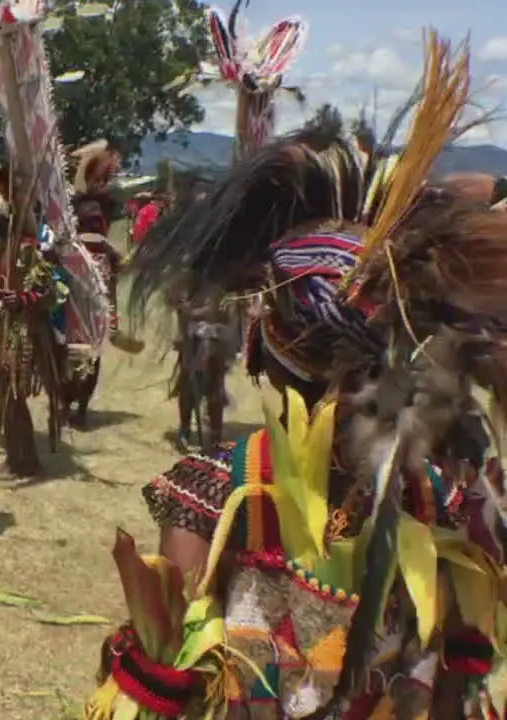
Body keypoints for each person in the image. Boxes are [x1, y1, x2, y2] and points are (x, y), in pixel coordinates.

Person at [91, 50, 507, 716]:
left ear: (259, 347)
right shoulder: (448, 500)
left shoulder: (216, 496)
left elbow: (166, 689)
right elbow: (460, 682)